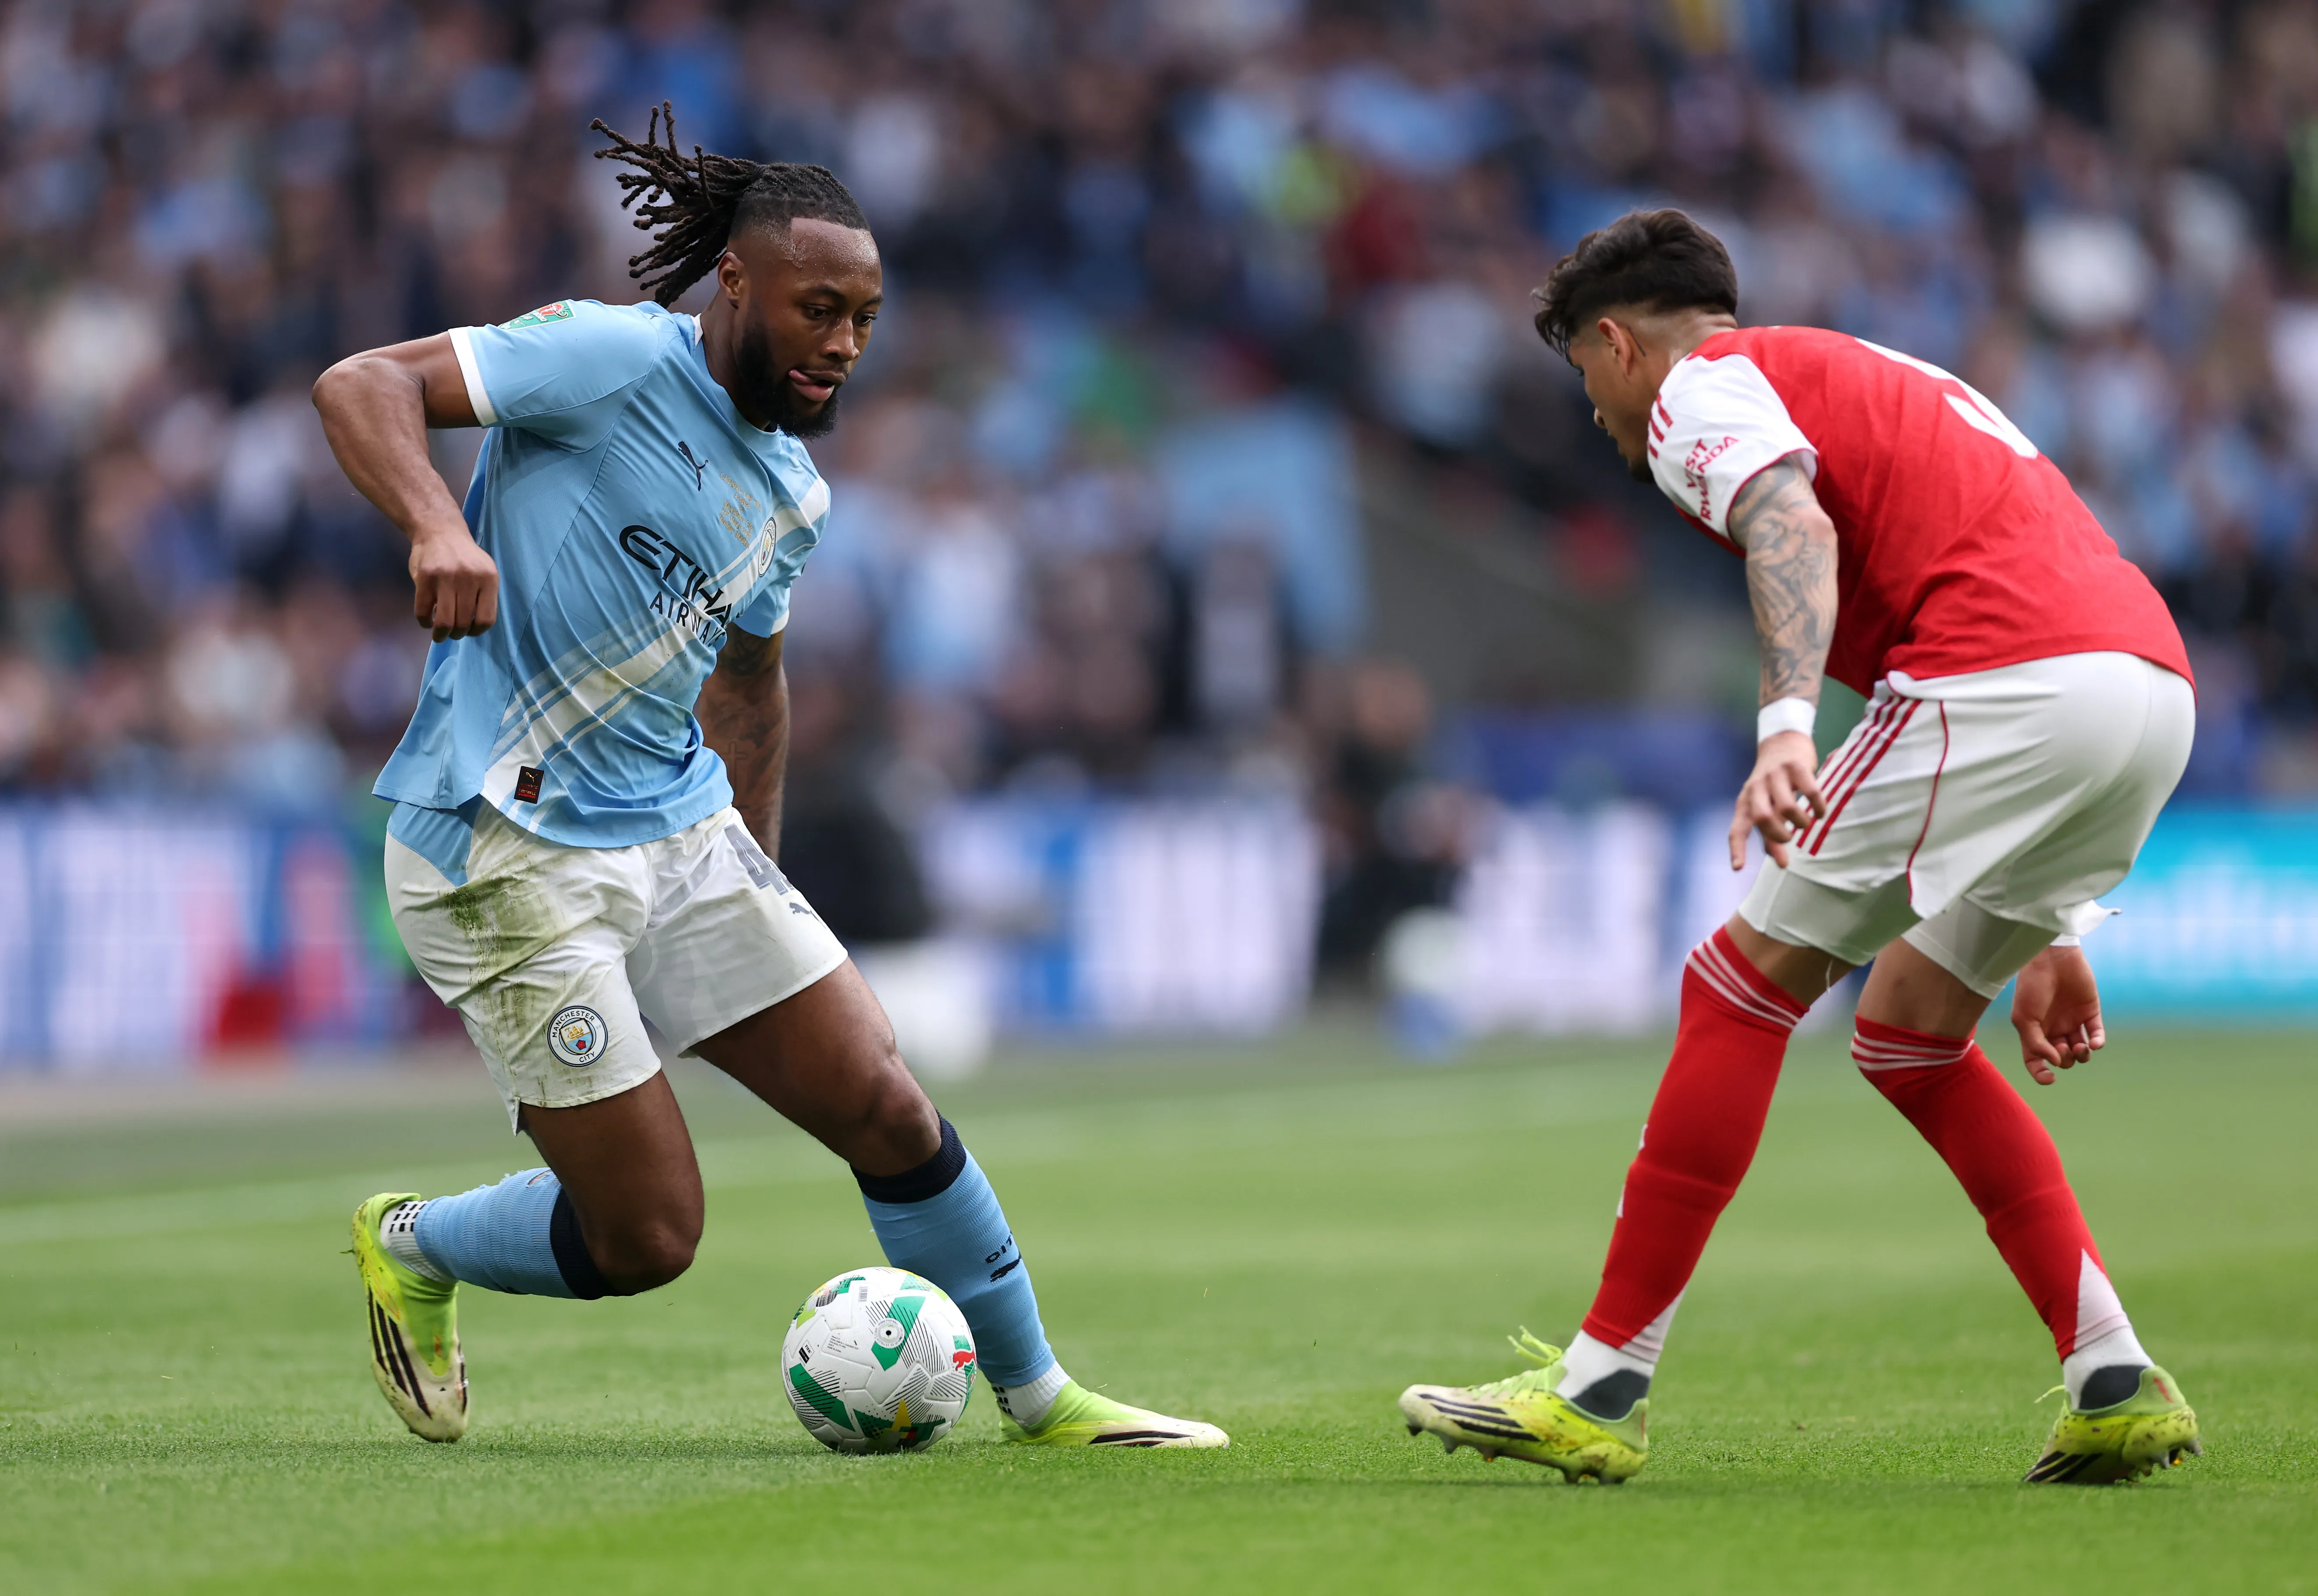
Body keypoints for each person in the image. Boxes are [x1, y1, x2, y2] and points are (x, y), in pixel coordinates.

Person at [313, 106, 1224, 1451]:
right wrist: (439, 525)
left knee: (884, 1099)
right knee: (652, 1235)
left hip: (681, 836)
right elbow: (360, 384)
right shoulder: (609, 358)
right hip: (504, 849)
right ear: (733, 281)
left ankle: (1042, 1401)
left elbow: (749, 682)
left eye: (864, 317)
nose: (844, 344)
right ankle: (414, 1241)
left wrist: (758, 877)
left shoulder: (793, 494)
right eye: (817, 309)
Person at [1397, 209, 2201, 1486]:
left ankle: (1602, 1387)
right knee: (1911, 1033)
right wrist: (2048, 922)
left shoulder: (1701, 392)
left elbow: (1795, 528)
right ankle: (2113, 1377)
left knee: (1736, 983)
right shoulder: (1848, 366)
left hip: (2006, 674)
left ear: (1616, 345)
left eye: (1587, 381)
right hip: (2148, 687)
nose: (1603, 420)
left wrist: (1784, 730)